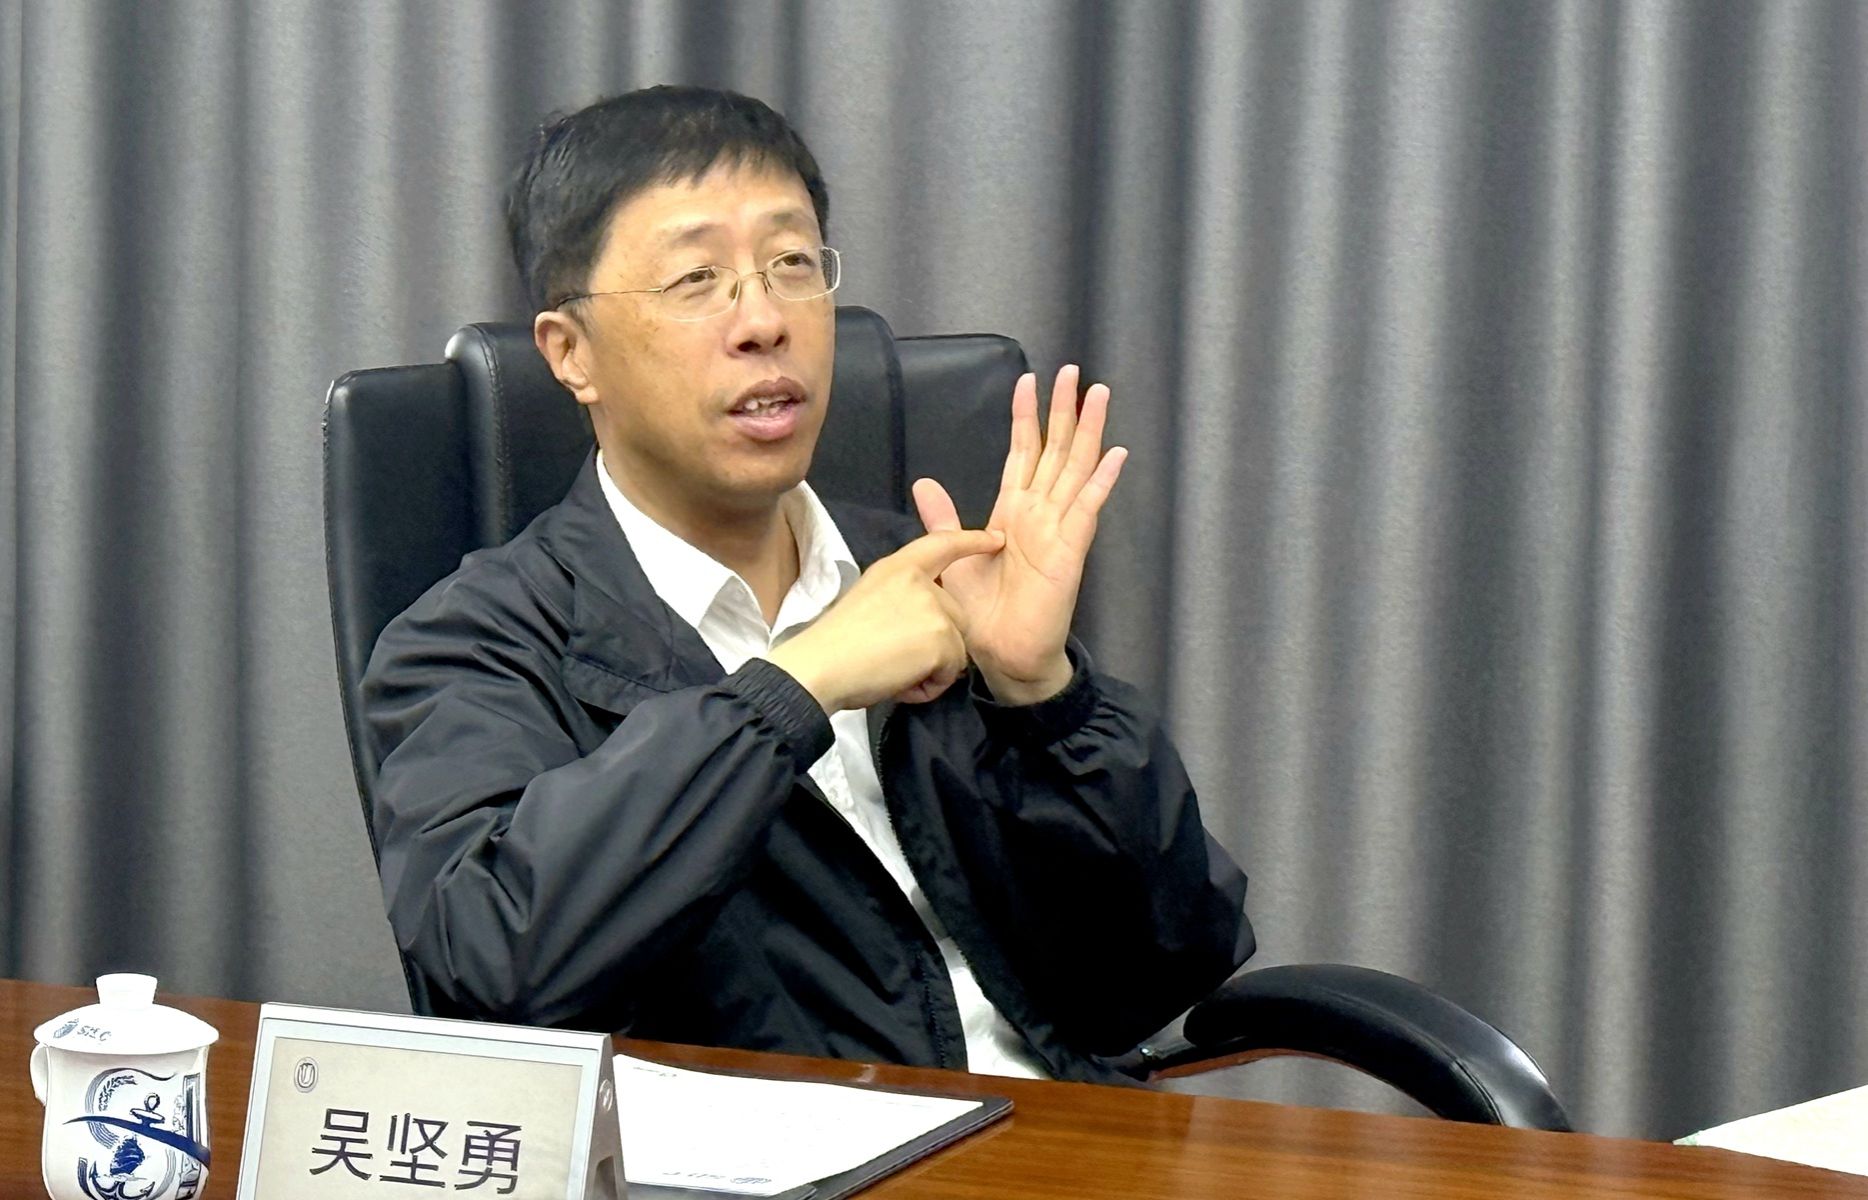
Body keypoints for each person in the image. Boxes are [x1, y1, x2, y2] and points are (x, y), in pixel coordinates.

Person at [362, 85, 1254, 1083]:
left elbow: (1161, 970)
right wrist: (797, 687)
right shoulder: (472, 643)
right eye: (695, 279)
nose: (763, 321)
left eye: (791, 264)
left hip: (1058, 1135)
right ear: (572, 354)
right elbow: (495, 969)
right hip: (777, 1153)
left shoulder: (933, 577)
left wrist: (1042, 698)